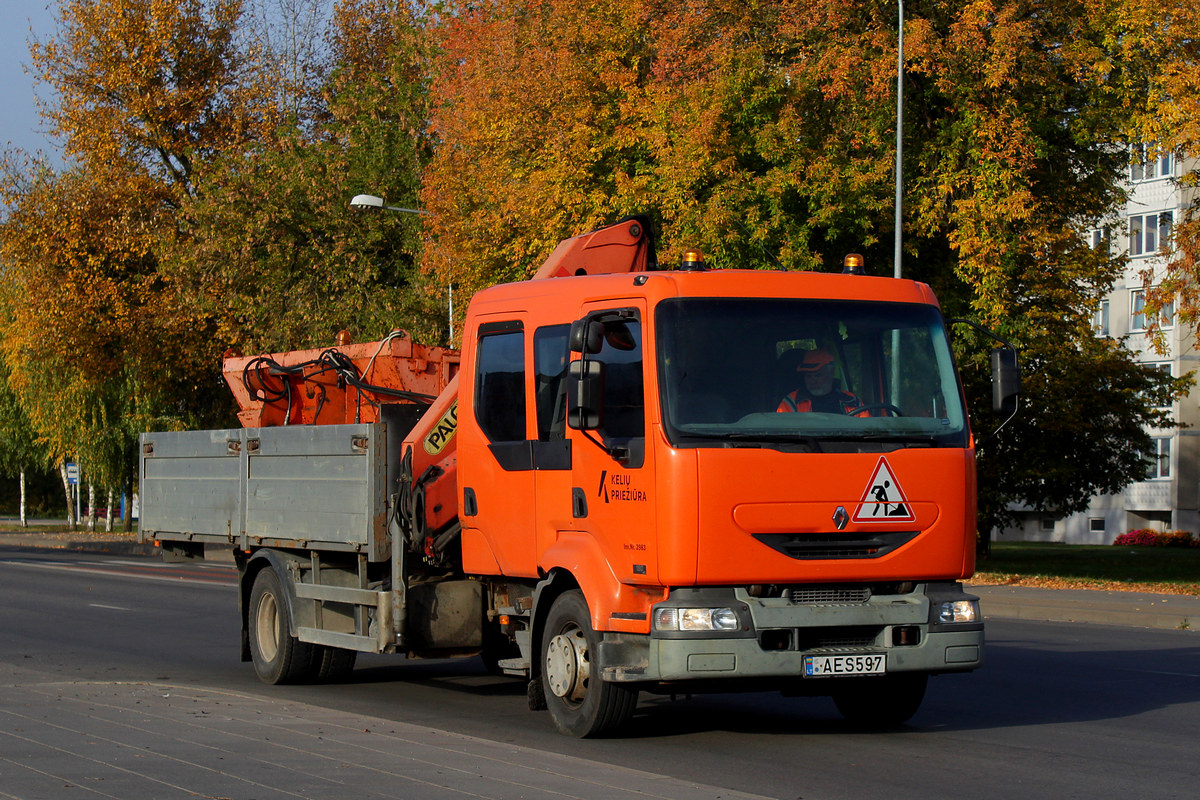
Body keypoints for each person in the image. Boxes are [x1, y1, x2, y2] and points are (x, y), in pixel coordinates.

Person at [777, 347, 870, 416]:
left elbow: (868, 430)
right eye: (808, 376)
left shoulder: (851, 401)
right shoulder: (791, 403)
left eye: (817, 375)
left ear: (831, 372)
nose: (812, 381)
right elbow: (782, 435)